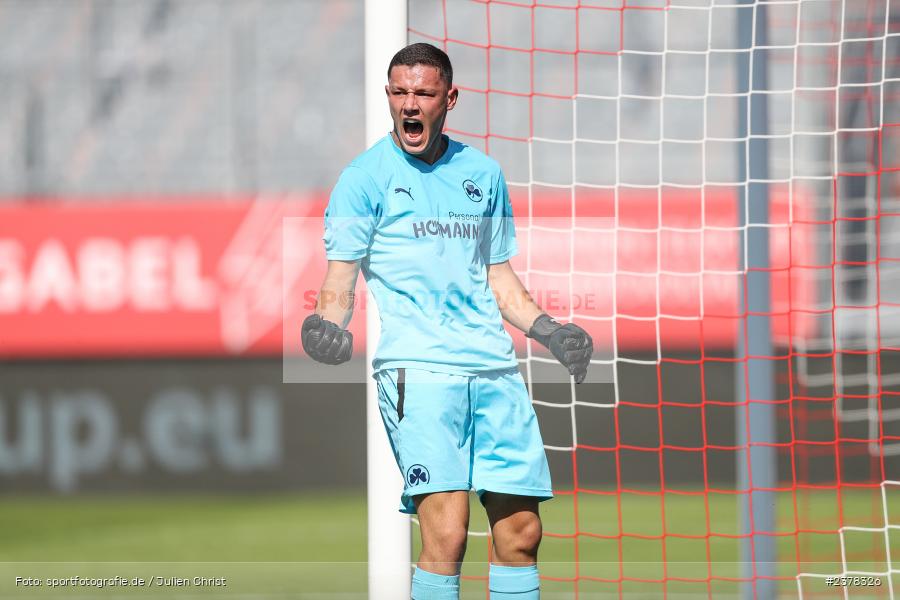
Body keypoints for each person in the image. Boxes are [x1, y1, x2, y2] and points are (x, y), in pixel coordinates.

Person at [302, 42, 593, 600]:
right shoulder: (363, 179)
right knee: (447, 534)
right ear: (388, 96)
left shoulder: (483, 173)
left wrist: (550, 331)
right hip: (419, 373)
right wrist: (326, 328)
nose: (409, 104)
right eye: (399, 92)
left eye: (423, 93)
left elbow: (498, 277)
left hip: (494, 371)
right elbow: (340, 280)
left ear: (450, 99)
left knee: (522, 533)